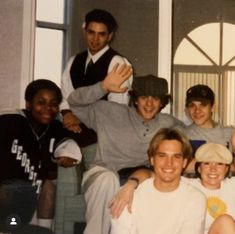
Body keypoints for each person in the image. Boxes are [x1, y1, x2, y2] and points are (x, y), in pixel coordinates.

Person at [68, 64, 184, 234]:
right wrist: (103, 86)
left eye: (155, 98)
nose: (150, 104)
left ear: (162, 102)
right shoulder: (109, 112)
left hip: (138, 178)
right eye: (144, 97)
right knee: (108, 179)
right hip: (103, 173)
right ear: (135, 99)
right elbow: (74, 103)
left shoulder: (167, 123)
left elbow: (192, 136)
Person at [0, 79, 82, 231]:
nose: (48, 108)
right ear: (28, 104)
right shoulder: (10, 120)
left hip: (31, 199)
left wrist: (67, 155)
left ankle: (44, 229)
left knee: (49, 185)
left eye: (53, 103)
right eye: (41, 102)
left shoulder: (55, 127)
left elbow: (68, 143)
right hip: (6, 194)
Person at [110, 142, 235, 234]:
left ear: (227, 169)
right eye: (207, 163)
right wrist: (130, 184)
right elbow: (147, 173)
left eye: (219, 164)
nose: (213, 169)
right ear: (198, 168)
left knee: (225, 222)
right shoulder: (186, 185)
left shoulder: (231, 186)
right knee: (225, 221)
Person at [111, 128, 206, 234]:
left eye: (176, 157)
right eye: (162, 156)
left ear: (184, 162)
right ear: (152, 160)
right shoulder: (128, 195)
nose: (169, 163)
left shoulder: (195, 199)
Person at [61, 8, 133, 146]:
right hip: (72, 134)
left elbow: (116, 109)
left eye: (101, 34)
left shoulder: (117, 63)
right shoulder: (74, 61)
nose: (95, 39)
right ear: (85, 31)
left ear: (110, 36)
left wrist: (81, 118)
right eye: (91, 33)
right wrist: (67, 114)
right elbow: (66, 96)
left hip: (101, 139)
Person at [181, 84, 235, 175]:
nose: (197, 110)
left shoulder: (230, 133)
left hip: (225, 186)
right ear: (187, 109)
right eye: (192, 105)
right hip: (192, 186)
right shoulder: (181, 134)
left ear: (212, 108)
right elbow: (176, 167)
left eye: (203, 105)